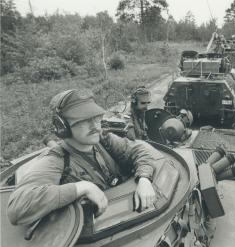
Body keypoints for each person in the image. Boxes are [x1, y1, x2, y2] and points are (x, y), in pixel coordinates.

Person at [7, 89, 156, 226]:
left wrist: (144, 179)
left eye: (96, 118)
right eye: (84, 121)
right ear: (62, 127)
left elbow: (140, 150)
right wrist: (81, 187)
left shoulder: (103, 140)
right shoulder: (55, 159)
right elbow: (18, 206)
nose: (95, 127)